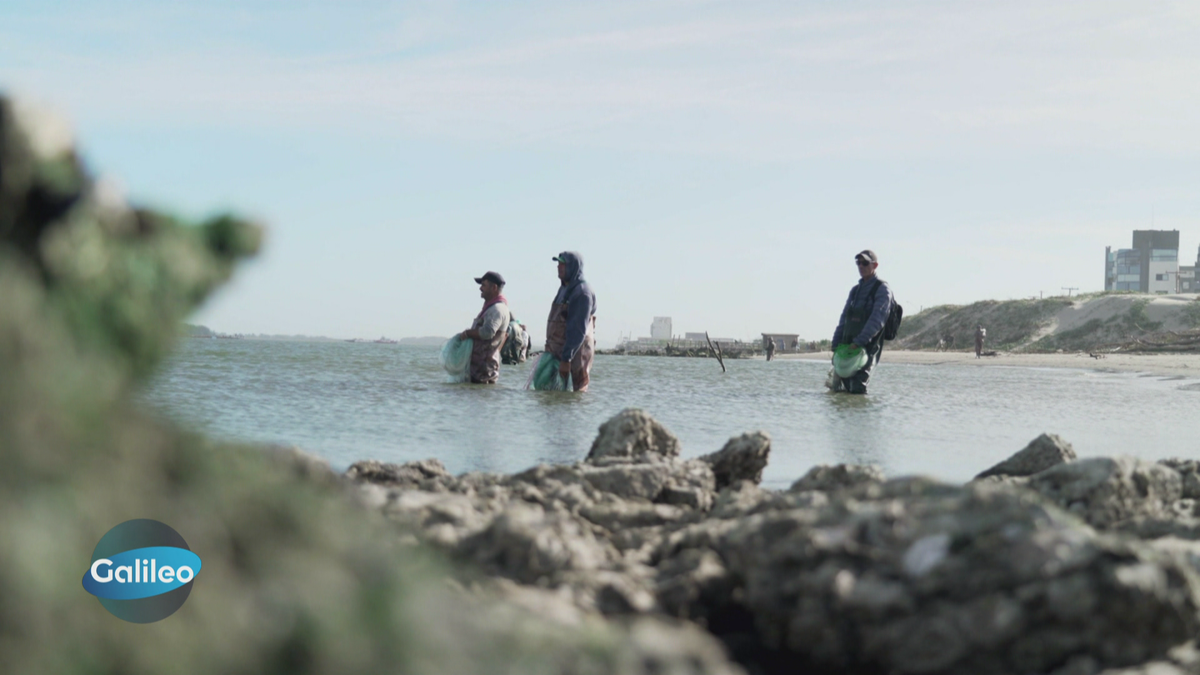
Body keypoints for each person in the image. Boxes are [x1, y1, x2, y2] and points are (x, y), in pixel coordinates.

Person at [831, 250, 893, 394]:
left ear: (875, 265)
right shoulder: (855, 291)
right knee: (838, 392)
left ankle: (861, 416)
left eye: (865, 263)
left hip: (866, 347)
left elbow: (877, 320)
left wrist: (858, 342)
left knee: (858, 388)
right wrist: (835, 343)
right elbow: (844, 318)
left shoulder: (882, 289)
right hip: (846, 346)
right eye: (858, 263)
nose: (861, 266)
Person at [546, 251, 596, 391]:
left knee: (574, 395)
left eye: (563, 264)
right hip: (557, 353)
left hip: (574, 356)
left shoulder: (582, 293)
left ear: (574, 267)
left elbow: (577, 330)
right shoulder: (564, 289)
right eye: (558, 263)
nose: (559, 267)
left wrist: (566, 359)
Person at [459, 271, 511, 384]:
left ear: (494, 287)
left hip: (484, 371)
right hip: (479, 368)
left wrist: (468, 333)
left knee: (481, 398)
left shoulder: (497, 309)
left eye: (483, 285)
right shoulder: (491, 307)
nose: (480, 288)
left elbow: (488, 332)